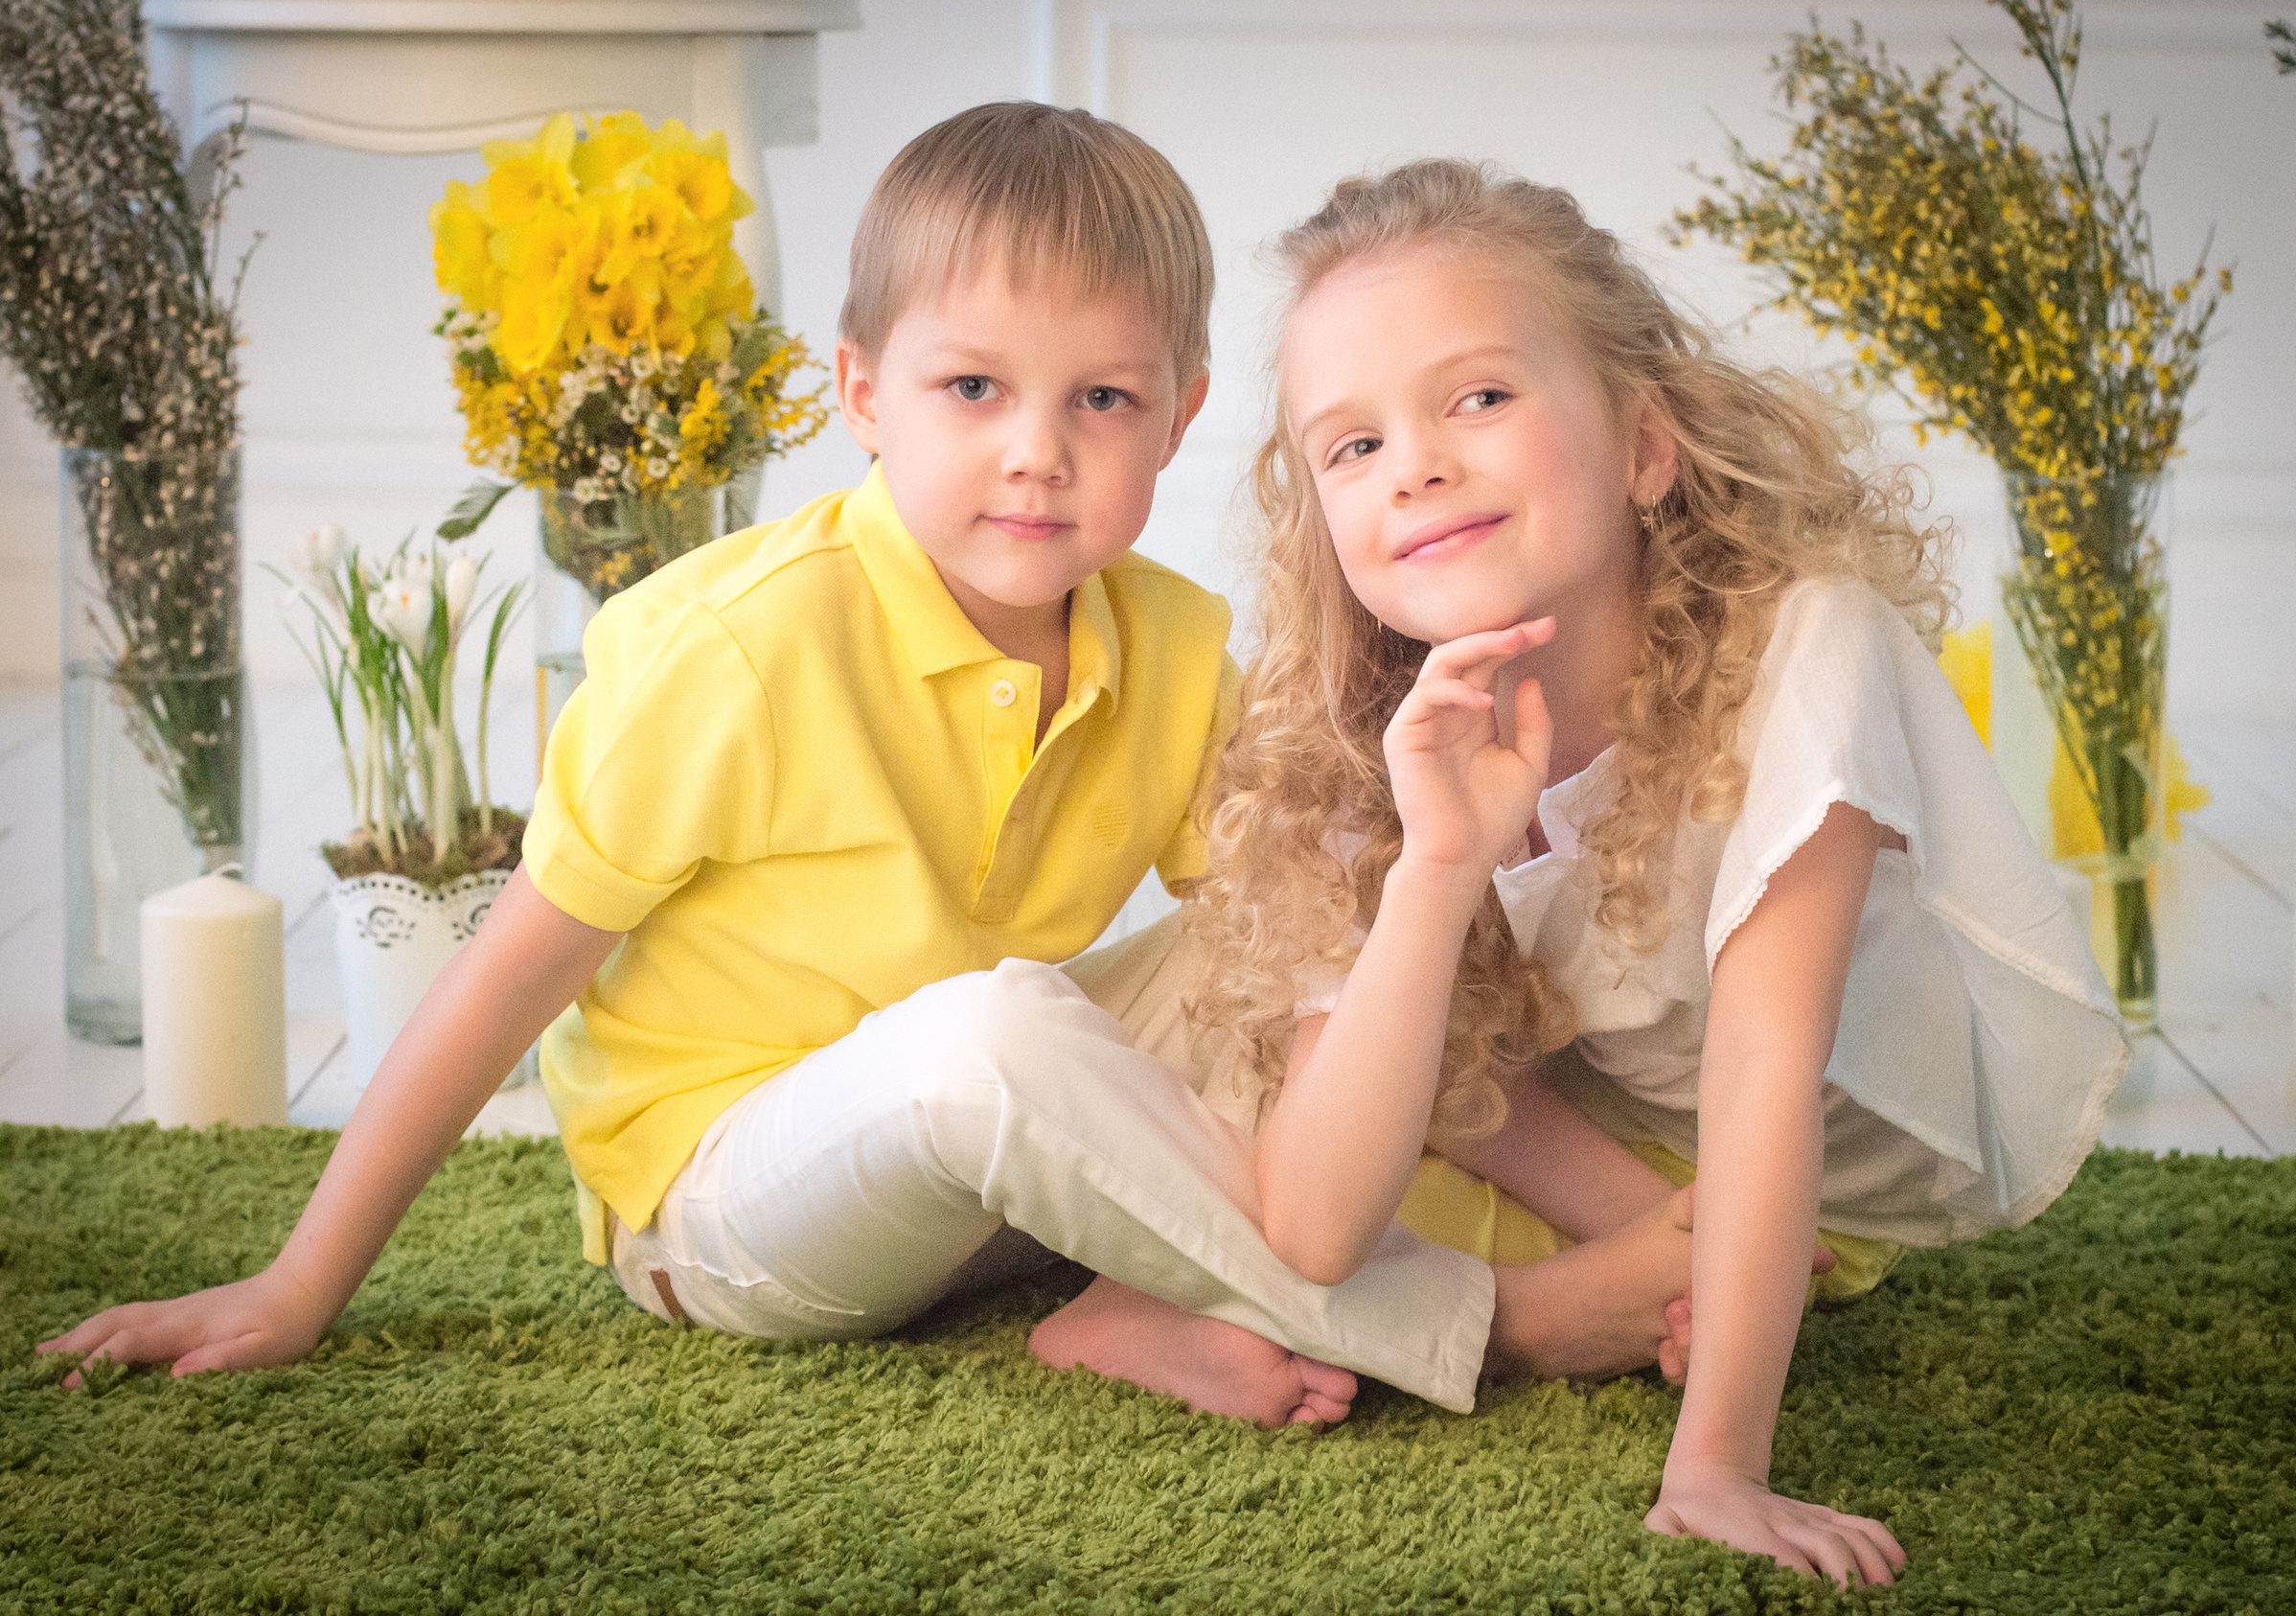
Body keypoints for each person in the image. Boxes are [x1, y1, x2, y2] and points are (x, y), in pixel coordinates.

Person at [38, 105, 1494, 1432]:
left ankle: (1128, 1308)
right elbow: (502, 980)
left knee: (1308, 939)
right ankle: (1496, 1324)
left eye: (1100, 401)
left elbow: (1287, 972)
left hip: (983, 1173)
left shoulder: (1176, 648)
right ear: (864, 394)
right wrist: (297, 1286)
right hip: (731, 1208)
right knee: (990, 1036)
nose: (1037, 452)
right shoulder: (729, 647)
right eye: (973, 387)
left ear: (1178, 418)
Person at [1052, 159, 2131, 1585]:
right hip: (1592, 1130)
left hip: (1801, 1172)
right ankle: (1150, 1308)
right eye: (1352, 447)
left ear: (1643, 446)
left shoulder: (1809, 647)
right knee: (1318, 1091)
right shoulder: (1361, 720)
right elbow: (1332, 1205)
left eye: (1480, 398)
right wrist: (1440, 865)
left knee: (1293, 1164)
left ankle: (1184, 1292)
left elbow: (1767, 1071)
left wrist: (1720, 1467)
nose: (1417, 465)